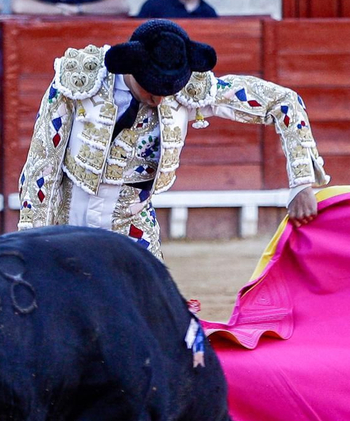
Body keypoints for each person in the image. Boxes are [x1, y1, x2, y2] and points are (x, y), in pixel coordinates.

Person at [16, 20, 326, 257]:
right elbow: (43, 162)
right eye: (152, 90)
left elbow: (284, 102)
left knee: (152, 314)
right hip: (67, 220)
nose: (162, 100)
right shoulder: (80, 79)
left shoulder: (189, 91)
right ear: (131, 67)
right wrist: (31, 237)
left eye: (170, 91)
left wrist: (302, 182)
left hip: (132, 226)